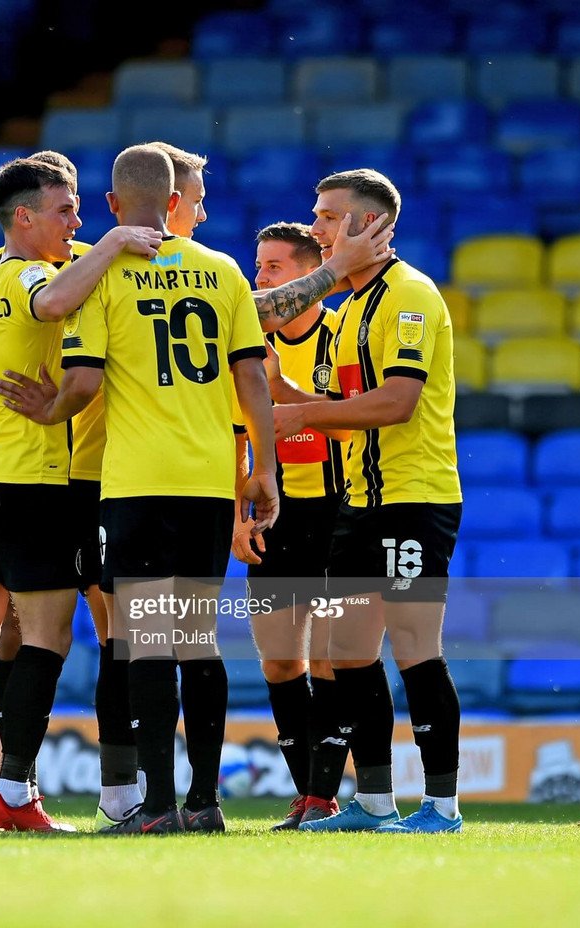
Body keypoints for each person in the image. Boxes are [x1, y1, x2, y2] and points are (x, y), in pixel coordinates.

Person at [0, 144, 279, 834]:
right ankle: (206, 802)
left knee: (148, 641)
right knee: (199, 640)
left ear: (116, 206)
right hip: (209, 482)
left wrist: (48, 408)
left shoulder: (106, 276)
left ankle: (155, 806)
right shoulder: (223, 273)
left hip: (136, 484)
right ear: (176, 202)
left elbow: (85, 381)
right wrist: (264, 468)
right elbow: (252, 379)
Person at [0, 156, 161, 832]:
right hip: (31, 482)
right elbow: (54, 301)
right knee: (48, 637)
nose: (80, 221)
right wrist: (119, 240)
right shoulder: (37, 274)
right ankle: (13, 795)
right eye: (66, 209)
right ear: (24, 217)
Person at [262, 170, 464, 834]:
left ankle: (443, 806)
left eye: (328, 217)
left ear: (371, 226)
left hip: (413, 499)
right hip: (360, 503)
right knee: (348, 653)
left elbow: (398, 405)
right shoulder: (347, 316)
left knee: (413, 649)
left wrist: (303, 410)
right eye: (317, 216)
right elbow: (348, 420)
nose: (317, 227)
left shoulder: (409, 297)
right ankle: (375, 803)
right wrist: (284, 394)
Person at [231, 222, 350, 830]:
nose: (261, 278)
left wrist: (282, 389)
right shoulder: (245, 341)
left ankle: (327, 797)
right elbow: (232, 433)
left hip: (335, 514)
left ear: (311, 277)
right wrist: (236, 516)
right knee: (280, 662)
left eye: (274, 268)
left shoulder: (344, 336)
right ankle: (310, 795)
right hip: (275, 518)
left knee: (330, 659)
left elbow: (359, 425)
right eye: (259, 266)